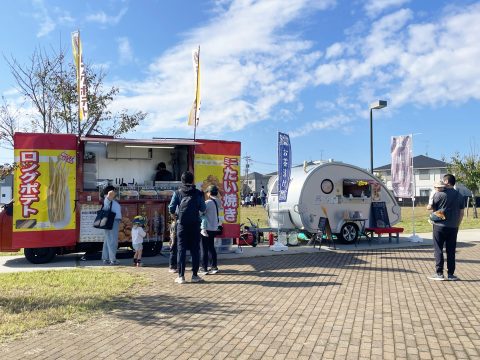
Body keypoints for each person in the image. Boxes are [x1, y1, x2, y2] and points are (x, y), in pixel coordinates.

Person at [168, 171, 206, 284]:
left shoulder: (178, 193)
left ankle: (181, 276)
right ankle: (195, 275)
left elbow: (171, 208)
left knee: (181, 250)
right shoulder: (198, 193)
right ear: (192, 180)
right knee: (195, 250)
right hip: (195, 225)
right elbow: (203, 208)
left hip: (182, 225)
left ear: (182, 181)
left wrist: (176, 218)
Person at [428, 174, 464, 281]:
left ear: (447, 181)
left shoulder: (439, 194)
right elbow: (461, 213)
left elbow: (432, 209)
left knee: (438, 249)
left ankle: (439, 273)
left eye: (444, 181)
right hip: (453, 227)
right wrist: (457, 224)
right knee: (451, 250)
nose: (442, 183)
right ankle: (451, 274)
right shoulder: (460, 195)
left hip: (439, 226)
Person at [199, 185, 221, 275]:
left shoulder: (208, 202)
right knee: (211, 247)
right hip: (214, 227)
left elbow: (200, 212)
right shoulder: (218, 202)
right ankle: (214, 266)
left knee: (204, 248)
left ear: (209, 193)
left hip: (206, 228)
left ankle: (204, 268)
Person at [101, 186, 122, 265]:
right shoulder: (108, 199)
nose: (115, 193)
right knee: (112, 241)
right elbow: (109, 196)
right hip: (112, 221)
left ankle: (106, 259)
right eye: (114, 191)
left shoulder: (111, 200)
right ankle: (113, 260)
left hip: (112, 221)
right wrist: (112, 191)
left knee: (107, 241)